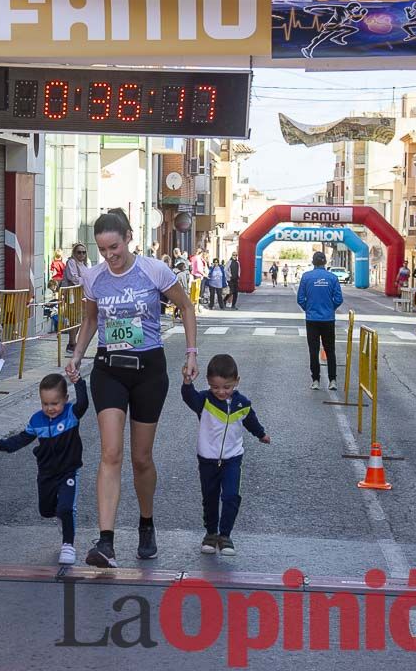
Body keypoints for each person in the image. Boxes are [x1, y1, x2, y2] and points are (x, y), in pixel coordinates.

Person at [65, 208, 198, 568]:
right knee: (110, 452)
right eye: (103, 249)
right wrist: (77, 355)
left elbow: (185, 307)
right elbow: (91, 319)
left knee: (141, 458)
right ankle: (105, 541)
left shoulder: (154, 270)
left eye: (115, 247)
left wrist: (190, 353)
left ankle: (146, 523)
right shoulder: (94, 278)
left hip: (149, 369)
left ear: (128, 239)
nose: (109, 255)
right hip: (109, 368)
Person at [0, 368, 89, 565]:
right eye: (45, 404)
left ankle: (68, 545)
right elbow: (22, 439)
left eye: (55, 403)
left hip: (68, 470)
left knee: (67, 508)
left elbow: (83, 403)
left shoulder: (71, 414)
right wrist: (0, 444)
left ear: (66, 399)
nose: (50, 408)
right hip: (46, 473)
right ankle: (58, 515)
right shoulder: (37, 420)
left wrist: (78, 381)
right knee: (46, 510)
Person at [180, 354, 269, 556]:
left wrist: (261, 434)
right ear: (209, 383)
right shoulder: (204, 401)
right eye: (215, 387)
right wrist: (187, 382)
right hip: (207, 460)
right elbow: (188, 396)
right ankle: (211, 534)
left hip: (232, 459)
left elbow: (250, 421)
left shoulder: (242, 404)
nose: (221, 392)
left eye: (227, 387)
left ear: (237, 381)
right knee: (209, 498)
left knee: (231, 496)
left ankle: (225, 535)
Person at [297, 251, 344, 391]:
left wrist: (309, 309)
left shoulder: (306, 277)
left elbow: (300, 299)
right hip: (328, 319)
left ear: (313, 262)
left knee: (313, 350)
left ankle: (316, 380)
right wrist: (330, 308)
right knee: (330, 350)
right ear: (325, 262)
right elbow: (339, 299)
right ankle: (333, 380)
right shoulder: (332, 278)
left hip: (312, 319)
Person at [62, 243, 89, 355]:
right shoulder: (71, 262)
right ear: (74, 253)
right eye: (79, 252)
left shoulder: (84, 264)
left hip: (82, 295)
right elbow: (73, 278)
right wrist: (85, 281)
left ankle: (74, 342)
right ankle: (72, 343)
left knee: (81, 319)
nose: (81, 254)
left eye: (83, 252)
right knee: (74, 319)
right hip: (73, 295)